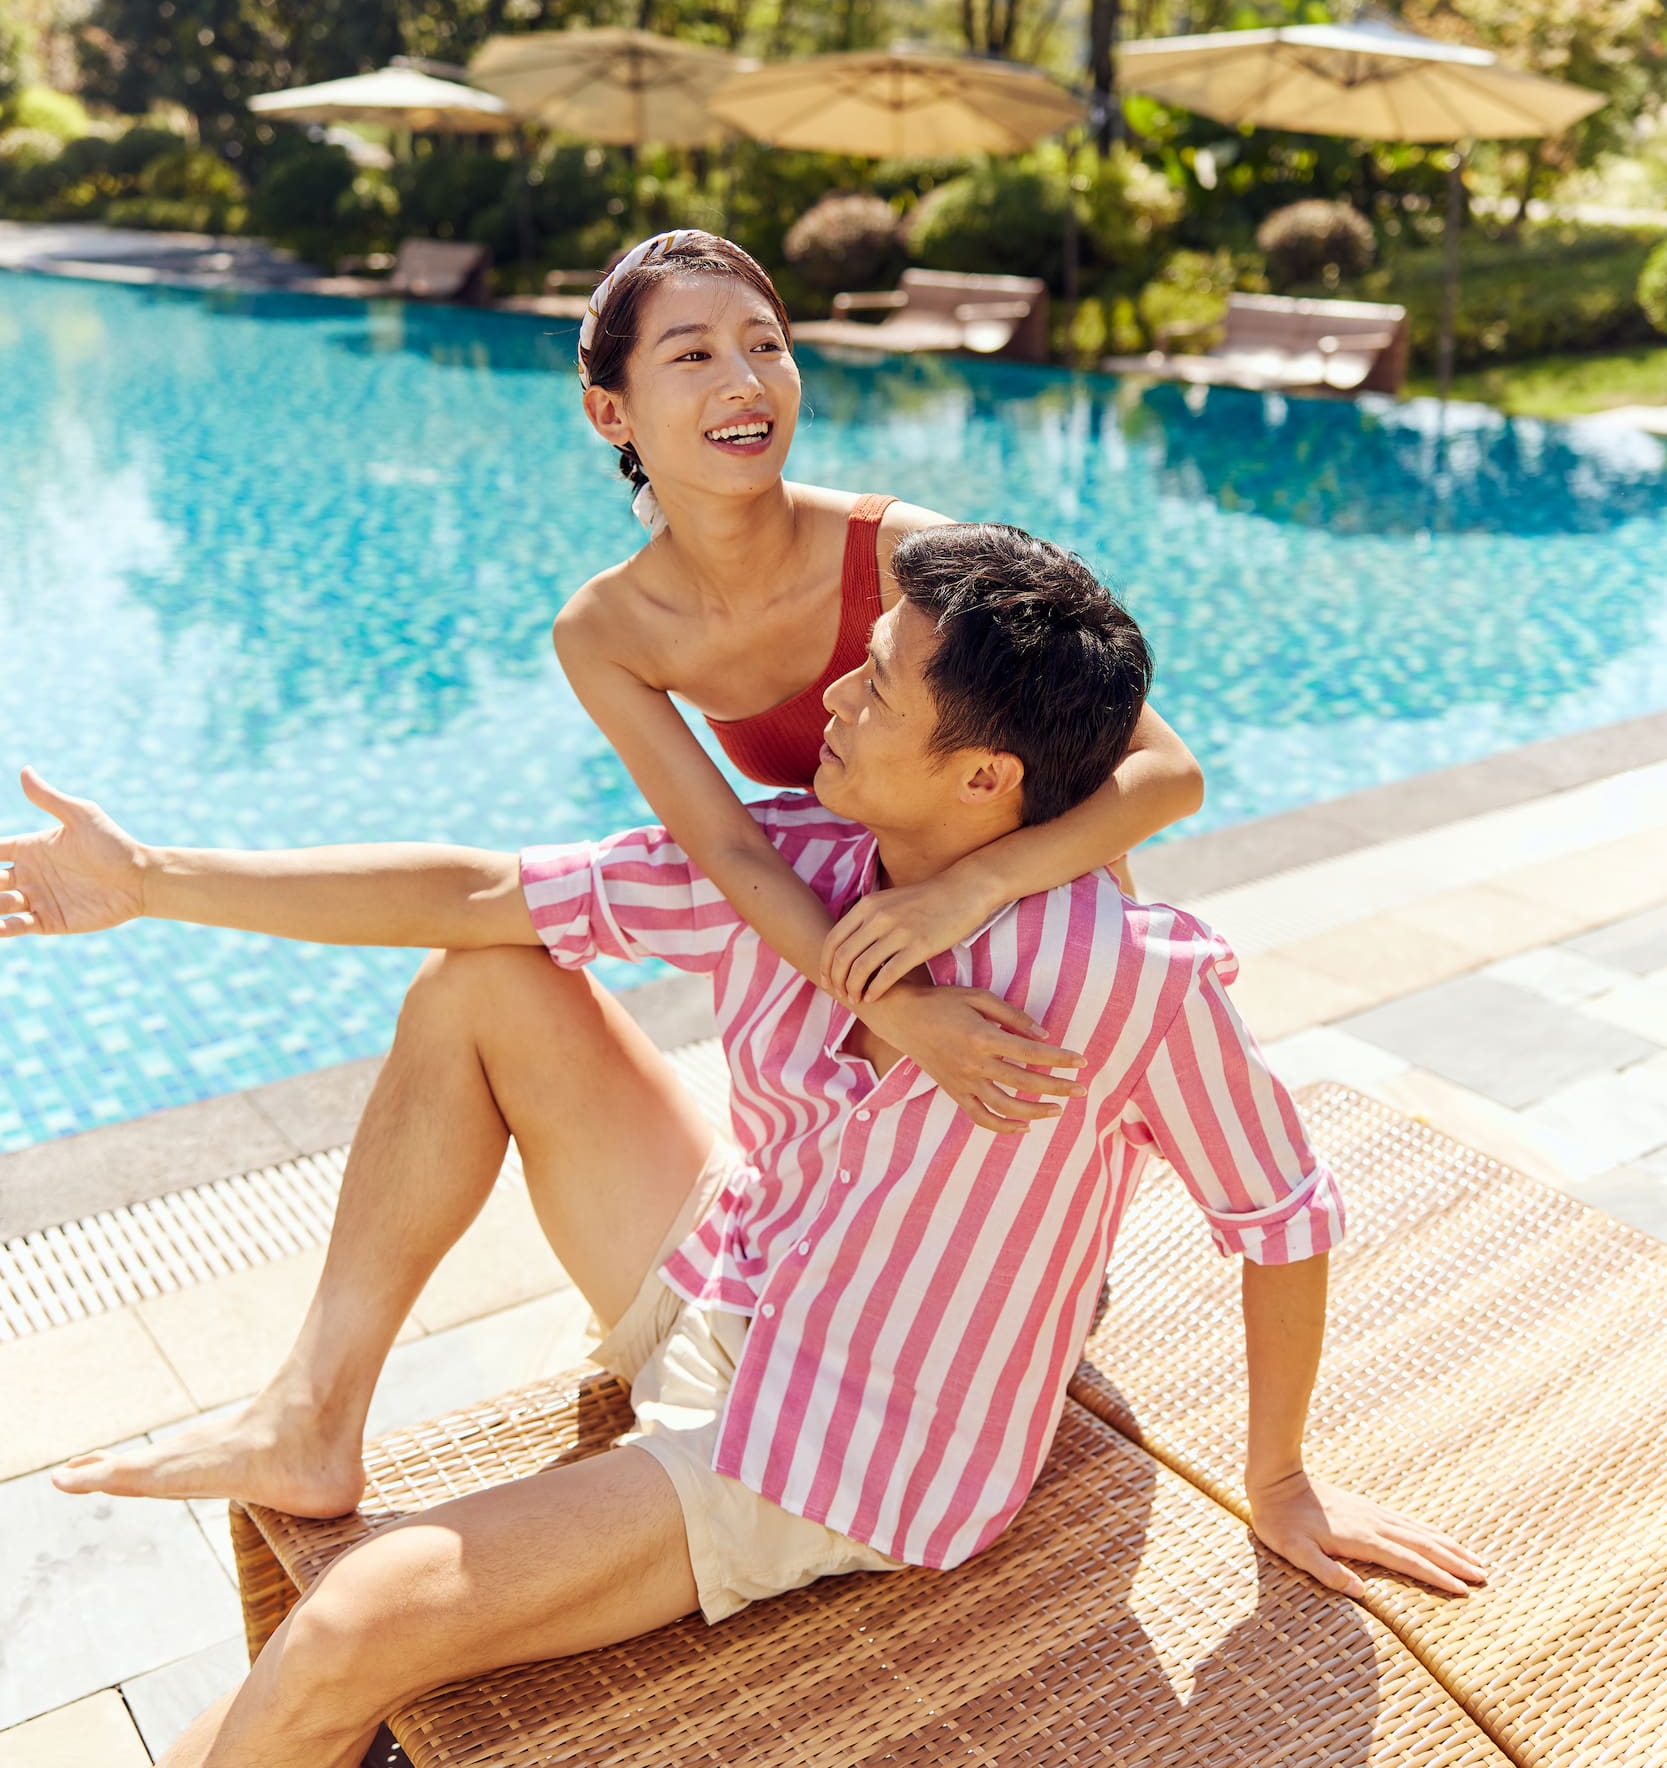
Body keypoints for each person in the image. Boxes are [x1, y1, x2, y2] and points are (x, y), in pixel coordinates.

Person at [4, 523, 1483, 1768]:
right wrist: (151, 879)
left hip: (848, 1444)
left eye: (882, 685)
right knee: (485, 984)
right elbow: (473, 893)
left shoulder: (1123, 982)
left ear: (985, 782)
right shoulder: (804, 863)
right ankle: (313, 1412)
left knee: (354, 1624)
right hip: (729, 1275)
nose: (831, 692)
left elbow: (1280, 1211)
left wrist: (1278, 1480)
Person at [555, 229, 1205, 1135]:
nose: (745, 379)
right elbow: (732, 850)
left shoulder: (905, 551)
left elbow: (1170, 772)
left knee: (1062, 1164)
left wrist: (973, 892)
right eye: (692, 353)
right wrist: (889, 1002)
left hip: (1046, 913)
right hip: (870, 925)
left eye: (766, 344)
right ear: (609, 414)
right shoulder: (607, 633)